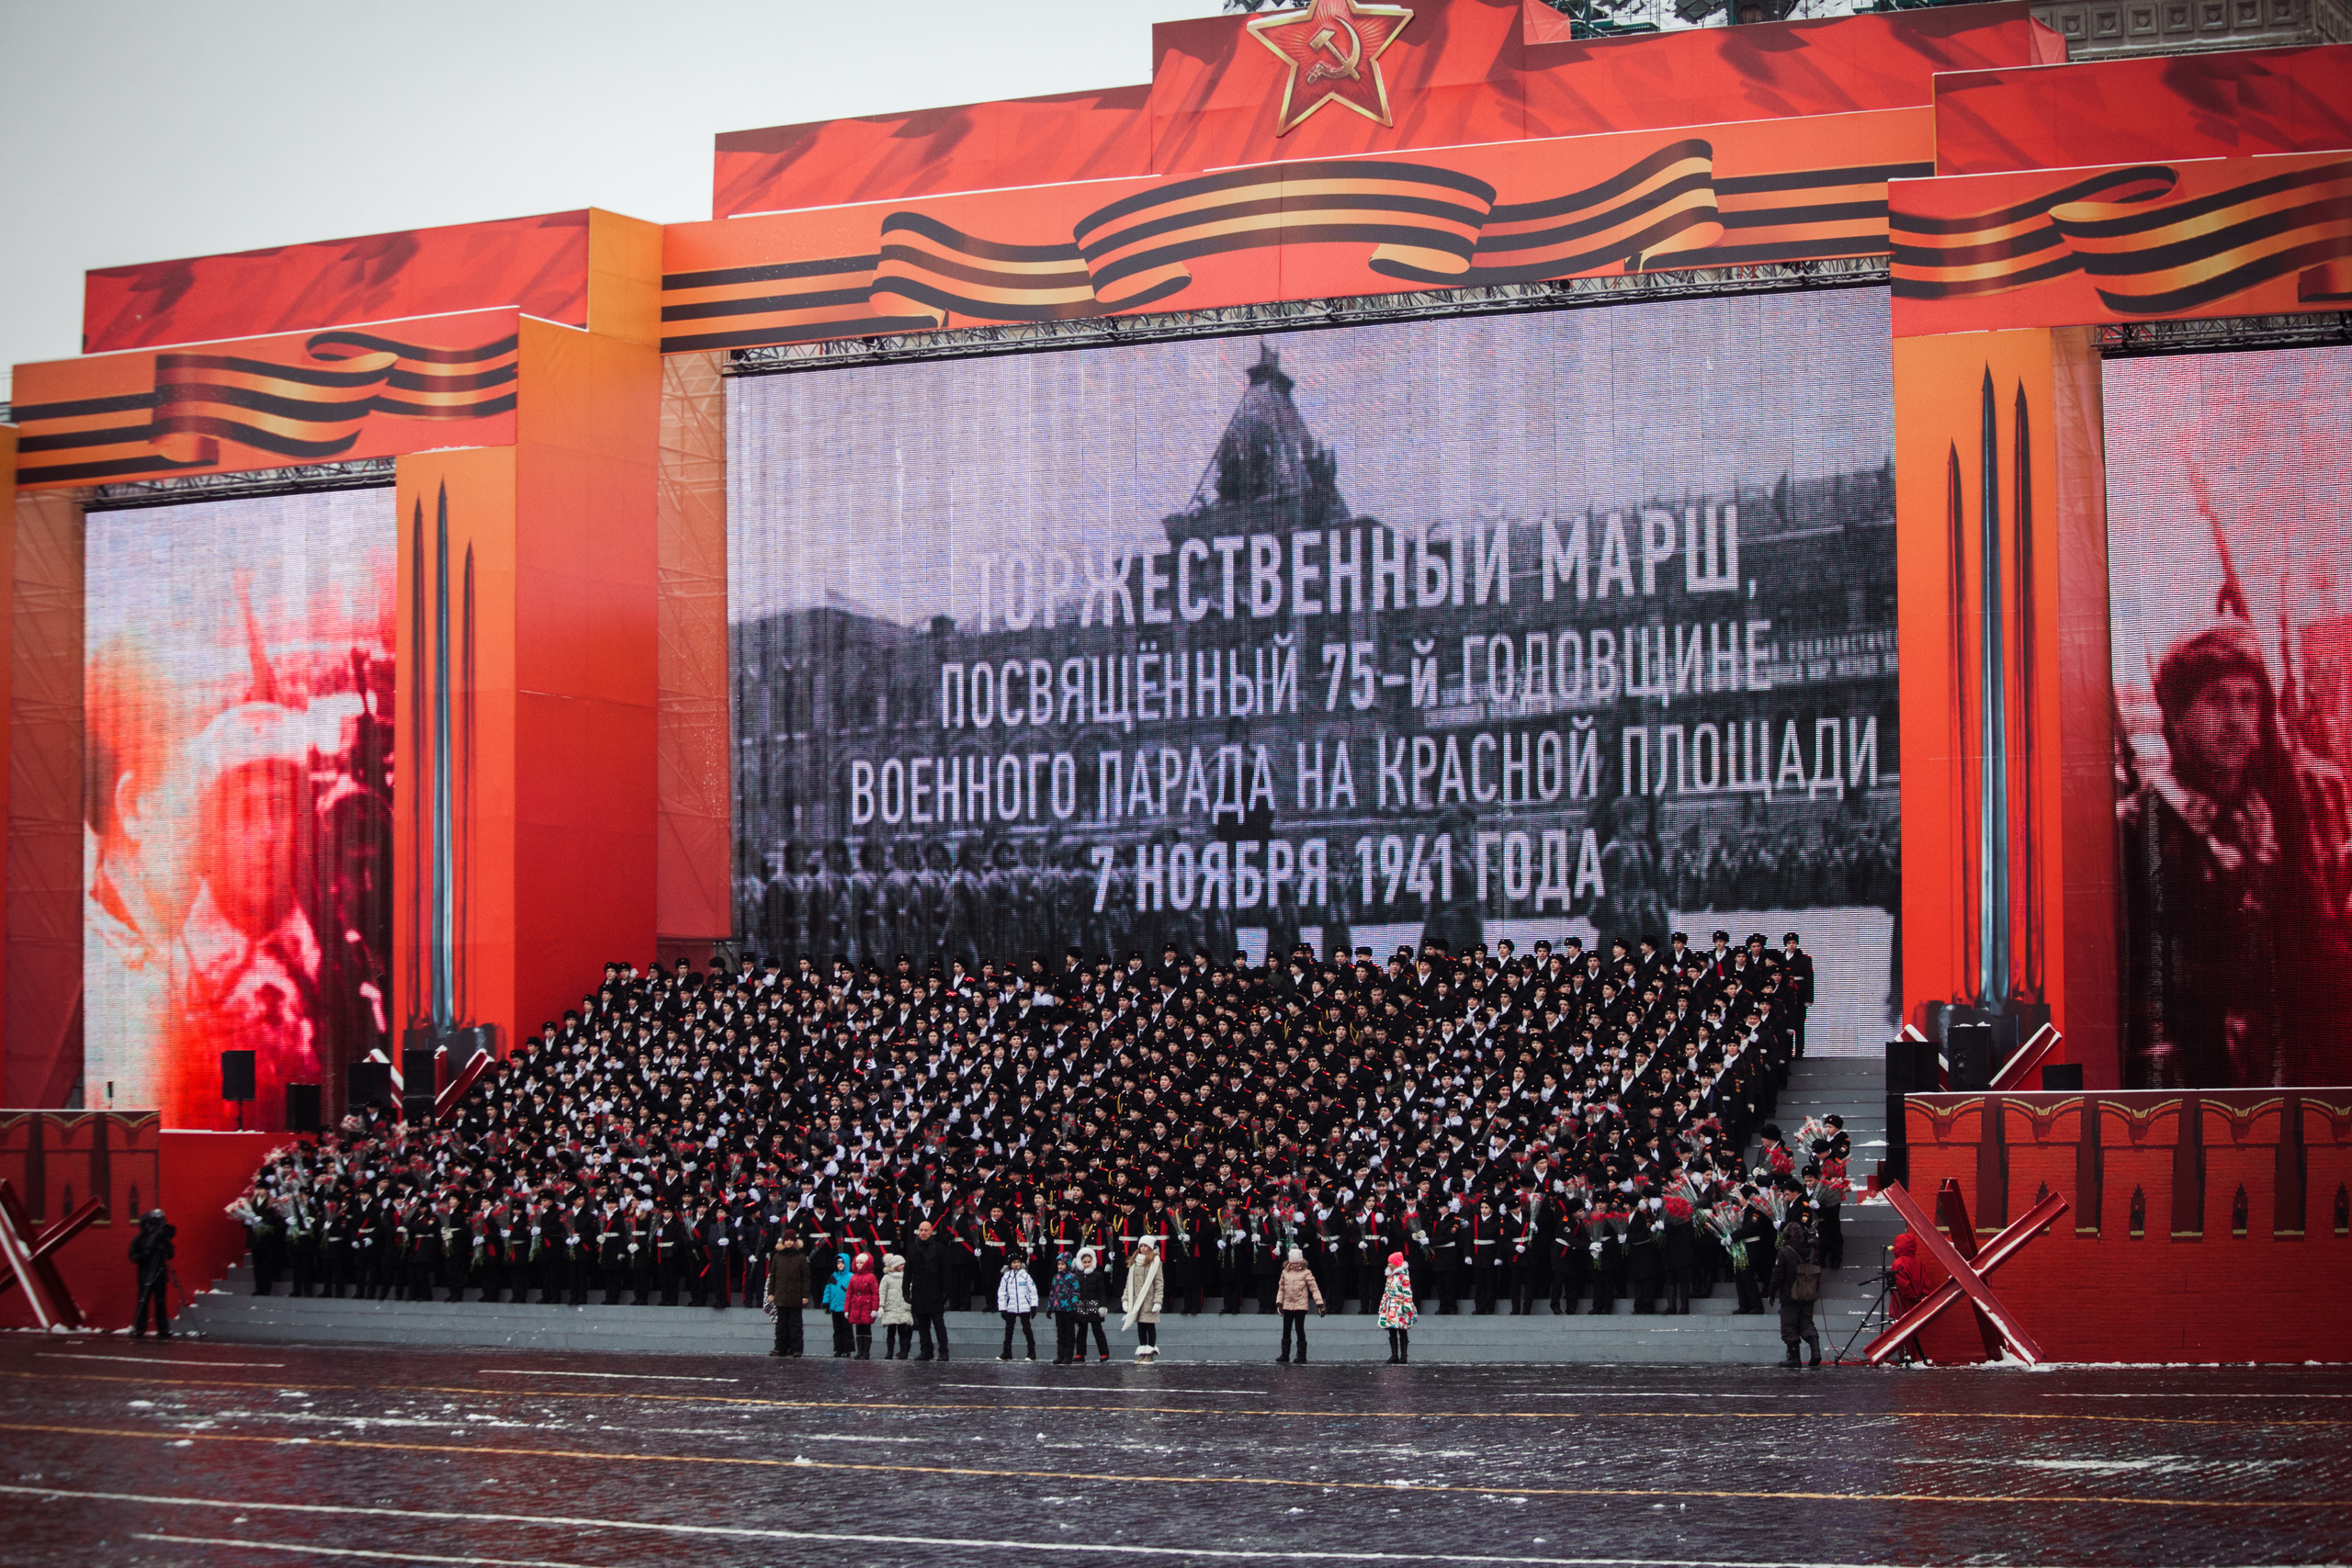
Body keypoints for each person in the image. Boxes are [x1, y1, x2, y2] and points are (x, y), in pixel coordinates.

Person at [1772, 1217, 1822, 1369]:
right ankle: (1816, 1352)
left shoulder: (1785, 1252)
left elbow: (1778, 1274)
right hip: (1808, 1294)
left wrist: (1771, 1291)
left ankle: (1794, 1357)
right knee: (1807, 1323)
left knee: (1789, 1325)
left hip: (1790, 1295)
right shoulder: (1812, 1250)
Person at [906, 1220, 952, 1361]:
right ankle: (926, 1351)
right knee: (922, 1325)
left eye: (926, 1230)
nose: (923, 1233)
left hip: (935, 1292)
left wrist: (945, 1292)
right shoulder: (912, 1249)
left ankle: (943, 1351)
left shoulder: (939, 1248)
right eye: (921, 1230)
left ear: (931, 1231)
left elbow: (946, 1271)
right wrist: (906, 1292)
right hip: (919, 1292)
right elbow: (907, 1273)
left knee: (939, 1324)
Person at [129, 1210, 175, 1340]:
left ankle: (163, 1329)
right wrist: (145, 1255)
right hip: (145, 1275)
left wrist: (164, 1245)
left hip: (160, 1274)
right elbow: (133, 1256)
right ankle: (139, 1328)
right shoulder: (139, 1239)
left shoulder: (161, 1236)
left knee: (161, 1303)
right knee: (143, 1302)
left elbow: (170, 1255)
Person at [1274, 1246, 1324, 1364]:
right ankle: (1285, 1354)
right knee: (1286, 1329)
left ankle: (1301, 1355)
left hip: (1300, 1306)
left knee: (1299, 1329)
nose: (1295, 1265)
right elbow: (1281, 1289)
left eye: (1297, 1263)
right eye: (1293, 1263)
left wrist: (1320, 1304)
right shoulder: (1285, 1272)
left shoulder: (1306, 1273)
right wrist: (1279, 1303)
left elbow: (1314, 1288)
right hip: (1287, 1305)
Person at [1122, 1238, 1164, 1361]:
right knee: (1141, 1327)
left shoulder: (1155, 1262)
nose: (1143, 1248)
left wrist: (1157, 1301)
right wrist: (1126, 1299)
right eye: (1141, 1246)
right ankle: (1142, 1351)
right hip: (1137, 1301)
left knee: (1150, 1326)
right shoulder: (1135, 1262)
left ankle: (1149, 1352)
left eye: (1146, 1246)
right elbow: (1129, 1283)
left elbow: (1159, 1283)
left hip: (1149, 1301)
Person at [768, 1231, 808, 1358]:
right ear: (783, 1241)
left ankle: (796, 1348)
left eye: (791, 1240)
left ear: (795, 1242)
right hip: (780, 1295)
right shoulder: (777, 1257)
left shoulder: (800, 1257)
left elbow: (806, 1278)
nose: (789, 1242)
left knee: (795, 1324)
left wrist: (805, 1295)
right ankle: (780, 1348)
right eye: (787, 1240)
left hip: (795, 1296)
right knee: (781, 1324)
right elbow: (772, 1276)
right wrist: (771, 1292)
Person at [997, 1249, 1040, 1360]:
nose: (1016, 1264)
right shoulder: (1006, 1277)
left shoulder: (1025, 1276)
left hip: (1024, 1306)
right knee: (1009, 1330)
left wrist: (1033, 1305)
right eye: (1014, 1262)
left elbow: (1032, 1291)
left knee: (1027, 1329)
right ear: (1010, 1264)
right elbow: (1002, 1293)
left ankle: (1031, 1352)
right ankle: (1007, 1352)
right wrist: (1002, 1308)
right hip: (1010, 1307)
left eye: (1018, 1262)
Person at [1074, 1245, 1113, 1364]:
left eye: (1089, 1262)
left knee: (1098, 1331)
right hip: (1081, 1306)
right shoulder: (1077, 1276)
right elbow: (1074, 1292)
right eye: (1084, 1262)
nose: (1087, 1264)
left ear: (1093, 1261)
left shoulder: (1097, 1275)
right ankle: (1080, 1354)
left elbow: (1102, 1292)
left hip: (1094, 1306)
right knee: (1081, 1331)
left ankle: (1104, 1353)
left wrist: (1103, 1305)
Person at [1377, 1249, 1417, 1364]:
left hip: (1400, 1306)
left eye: (1390, 1262)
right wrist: (1383, 1305)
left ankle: (1404, 1355)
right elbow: (1386, 1292)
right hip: (1390, 1306)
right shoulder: (1390, 1276)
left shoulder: (1403, 1276)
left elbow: (1407, 1291)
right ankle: (1394, 1354)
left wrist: (1408, 1305)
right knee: (1392, 1330)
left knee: (1402, 1330)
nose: (1388, 1264)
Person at [1046, 1250, 1082, 1365]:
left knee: (1069, 1332)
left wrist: (1074, 1307)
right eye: (1059, 1264)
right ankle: (1060, 1355)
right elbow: (1052, 1293)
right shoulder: (1055, 1277)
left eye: (1062, 1264)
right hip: (1058, 1309)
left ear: (1068, 1264)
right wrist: (1050, 1307)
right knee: (1060, 1333)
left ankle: (1068, 1355)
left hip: (1068, 1309)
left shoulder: (1072, 1277)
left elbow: (1076, 1293)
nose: (1060, 1266)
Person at [877, 1252, 914, 1359]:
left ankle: (903, 1351)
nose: (903, 1266)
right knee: (891, 1331)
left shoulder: (907, 1277)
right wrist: (881, 1306)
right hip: (891, 1308)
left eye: (904, 1264)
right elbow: (882, 1292)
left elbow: (911, 1290)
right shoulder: (887, 1278)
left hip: (903, 1307)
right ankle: (890, 1352)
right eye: (901, 1264)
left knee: (903, 1331)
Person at [844, 1252, 879, 1359]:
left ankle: (866, 1352)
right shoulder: (854, 1277)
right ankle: (859, 1352)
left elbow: (875, 1294)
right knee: (858, 1329)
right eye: (857, 1263)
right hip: (856, 1306)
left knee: (866, 1328)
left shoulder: (871, 1277)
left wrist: (874, 1309)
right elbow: (849, 1294)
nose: (859, 1265)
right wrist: (847, 1309)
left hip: (866, 1306)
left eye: (861, 1263)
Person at [821, 1252, 854, 1357]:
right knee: (837, 1329)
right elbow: (828, 1290)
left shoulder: (851, 1277)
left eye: (842, 1263)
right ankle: (838, 1348)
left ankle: (847, 1349)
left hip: (846, 1309)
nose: (840, 1265)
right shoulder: (833, 1276)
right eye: (838, 1263)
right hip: (835, 1307)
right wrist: (826, 1303)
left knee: (847, 1329)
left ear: (847, 1264)